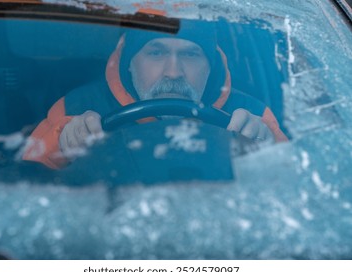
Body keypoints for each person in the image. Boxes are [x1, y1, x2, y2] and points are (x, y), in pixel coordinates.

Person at [23, 19, 287, 169]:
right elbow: (27, 186)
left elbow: (301, 188)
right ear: (129, 61)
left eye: (190, 54)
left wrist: (267, 153)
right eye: (156, 52)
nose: (173, 72)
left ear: (211, 66)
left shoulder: (253, 114)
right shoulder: (74, 107)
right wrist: (64, 147)